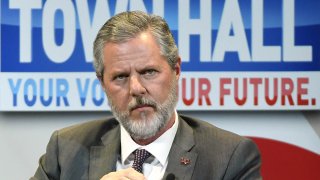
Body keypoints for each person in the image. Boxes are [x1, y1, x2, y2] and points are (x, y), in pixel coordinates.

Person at [31, 11, 261, 180]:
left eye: (148, 72)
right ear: (102, 83)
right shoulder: (66, 150)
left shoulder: (229, 157)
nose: (136, 88)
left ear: (176, 70)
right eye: (120, 76)